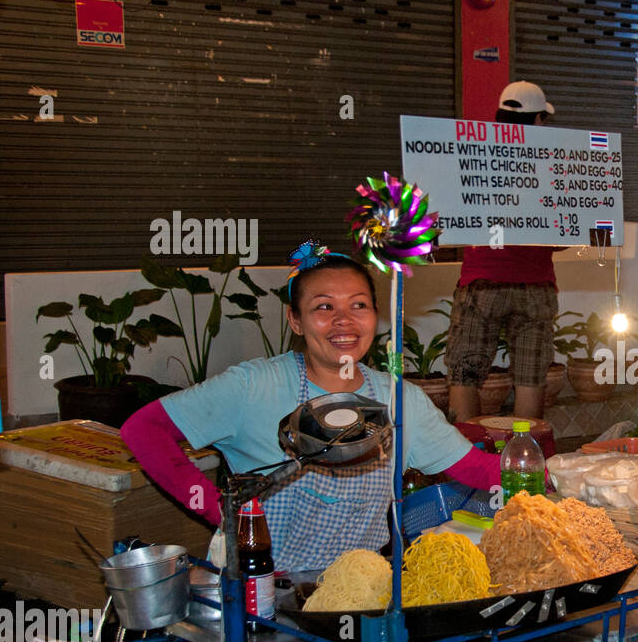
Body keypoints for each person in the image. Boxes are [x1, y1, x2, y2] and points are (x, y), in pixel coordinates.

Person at [121, 244, 500, 572]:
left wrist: (547, 475)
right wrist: (218, 510)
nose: (344, 321)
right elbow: (143, 431)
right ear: (295, 320)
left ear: (375, 315)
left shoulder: (400, 400)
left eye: (359, 305)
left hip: (353, 596)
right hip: (261, 596)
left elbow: (474, 469)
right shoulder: (253, 386)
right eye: (323, 307)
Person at [446, 81, 559, 422]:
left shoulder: (476, 152)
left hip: (482, 280)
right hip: (535, 286)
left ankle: (469, 453)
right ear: (538, 118)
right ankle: (525, 458)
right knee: (530, 378)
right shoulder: (550, 161)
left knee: (465, 373)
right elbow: (560, 233)